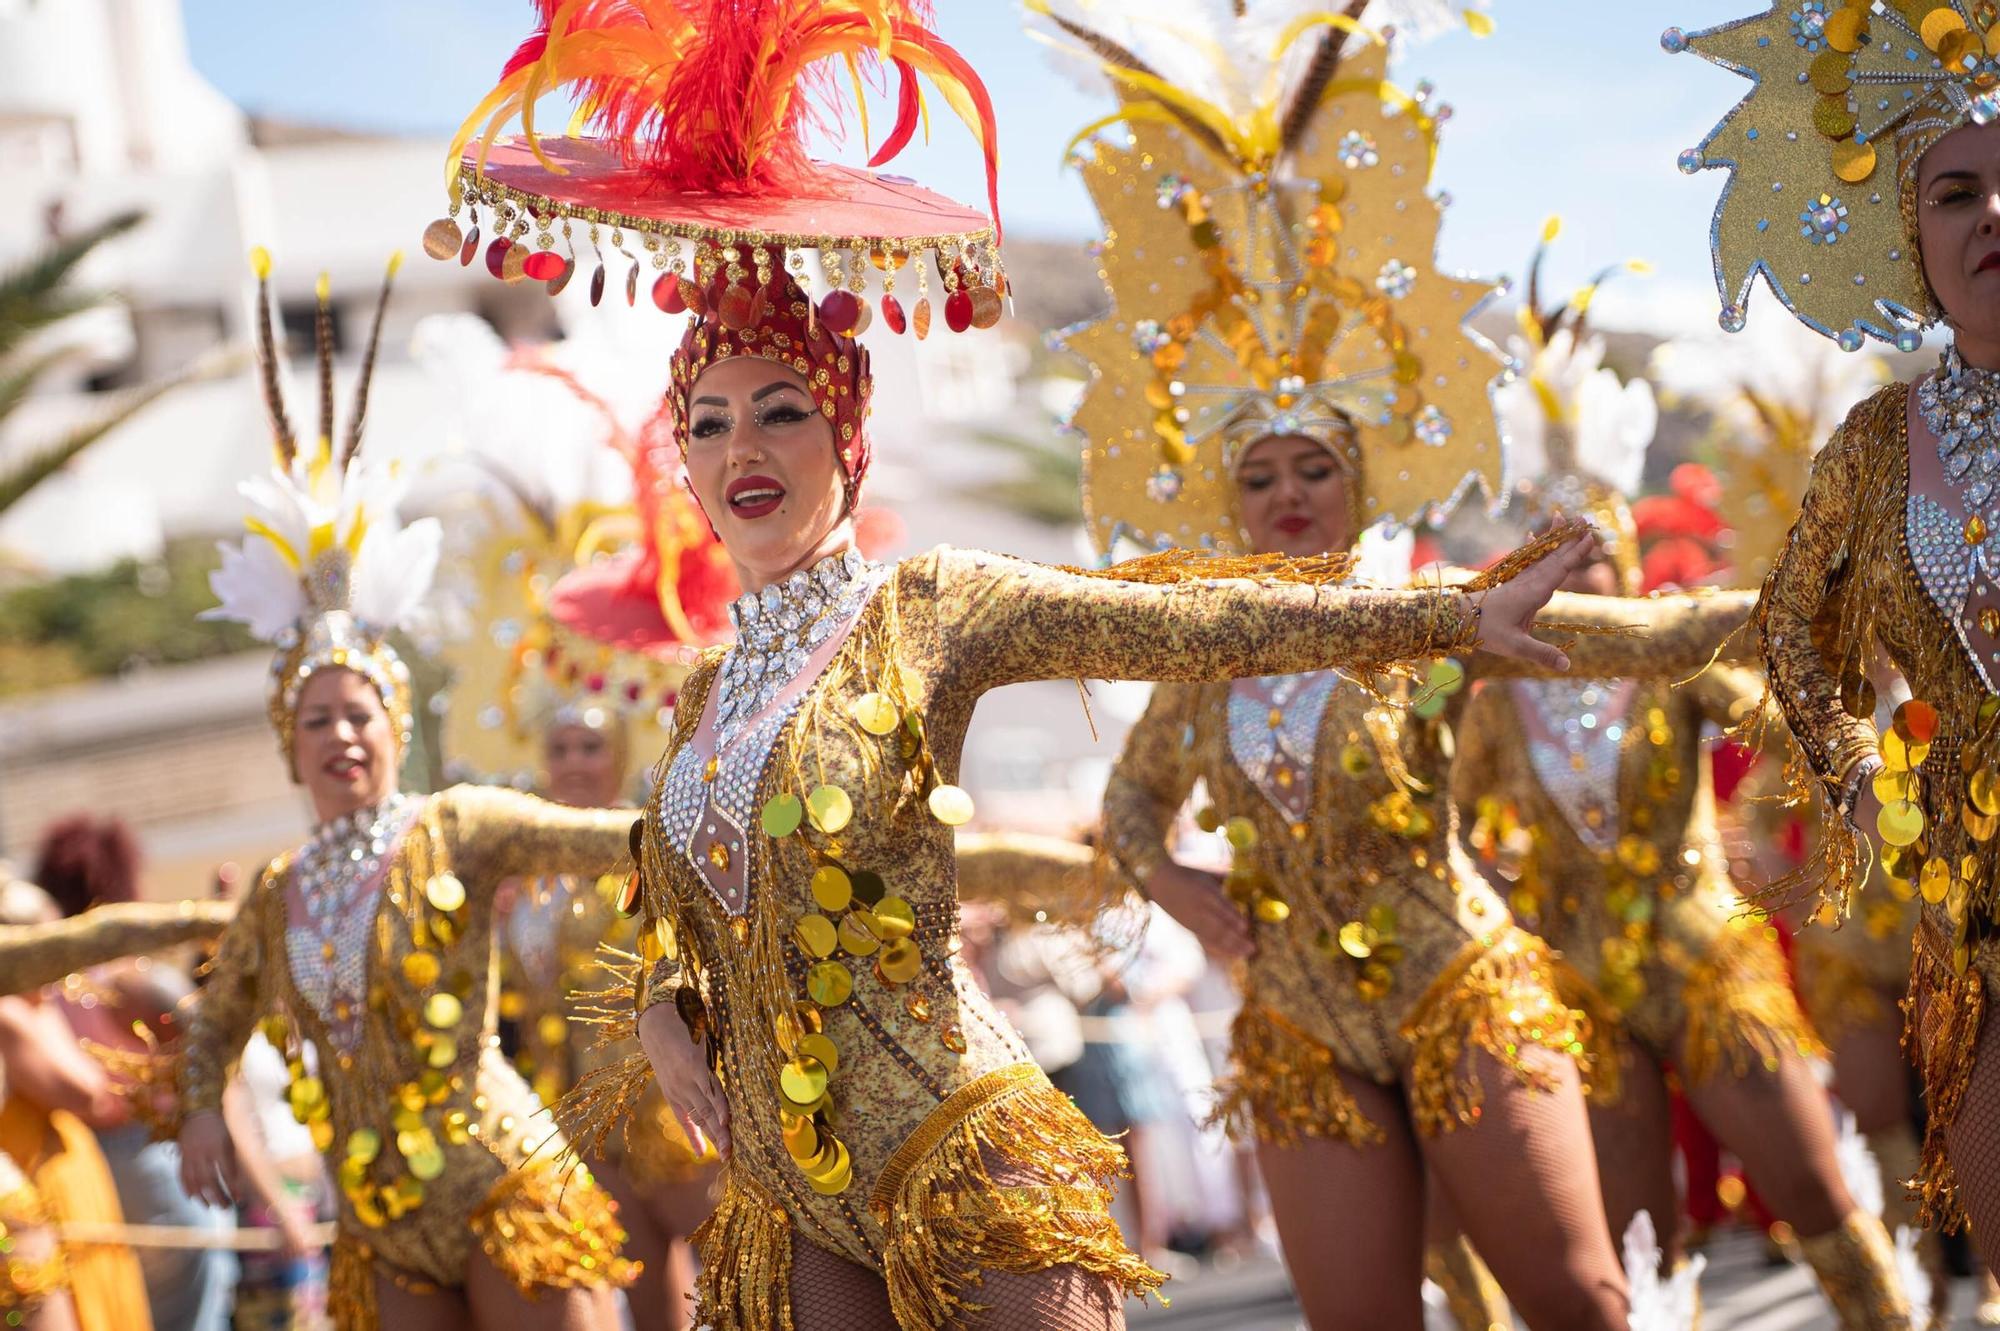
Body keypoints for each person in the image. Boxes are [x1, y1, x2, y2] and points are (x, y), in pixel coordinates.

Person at [435, 4, 1606, 1327]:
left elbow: (1182, 623)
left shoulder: (927, 602)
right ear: (687, 465)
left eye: (782, 409)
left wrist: (1441, 618)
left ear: (849, 440)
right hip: (788, 1181)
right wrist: (662, 1004)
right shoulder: (707, 694)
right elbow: (687, 891)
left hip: (953, 1136)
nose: (741, 444)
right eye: (707, 422)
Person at [160, 253, 639, 1331]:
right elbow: (215, 1016)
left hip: (498, 1182)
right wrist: (198, 1109)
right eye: (316, 717)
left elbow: (608, 840)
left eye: (358, 712)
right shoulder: (278, 889)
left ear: (397, 726)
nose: (340, 733)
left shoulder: (452, 825)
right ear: (291, 746)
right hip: (378, 1217)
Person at [1452, 266, 1908, 1325]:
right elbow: (1443, 815)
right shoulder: (1488, 698)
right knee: (1633, 1245)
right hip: (1580, 989)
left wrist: (1847, 750)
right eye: (1551, 562)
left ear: (1625, 565)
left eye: (1595, 560)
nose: (1577, 584)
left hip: (1706, 960)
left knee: (1815, 1193)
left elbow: (1777, 717)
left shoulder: (1671, 659)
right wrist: (1488, 885)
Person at [1669, 0, 2000, 1269]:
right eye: (1954, 192)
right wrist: (1858, 771)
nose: (1988, 218)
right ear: (1904, 234)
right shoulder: (1875, 445)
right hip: (1965, 895)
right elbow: (1791, 635)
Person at [36, 816, 239, 1331]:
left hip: (86, 1171)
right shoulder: (126, 980)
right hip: (152, 1163)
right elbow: (210, 1049)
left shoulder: (47, 990)